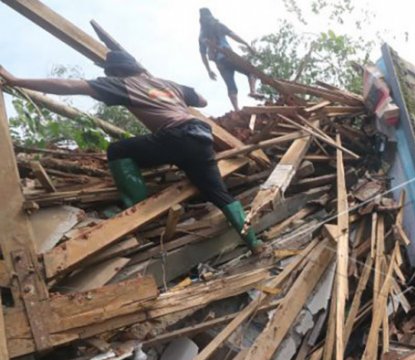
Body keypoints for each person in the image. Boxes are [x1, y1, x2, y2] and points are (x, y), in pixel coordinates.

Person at [0, 51, 262, 252]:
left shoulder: (121, 84)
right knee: (218, 193)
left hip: (176, 136)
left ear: (115, 72)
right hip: (200, 136)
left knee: (117, 150)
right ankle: (253, 241)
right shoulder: (164, 83)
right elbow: (202, 100)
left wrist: (15, 80)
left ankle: (135, 206)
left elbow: (70, 86)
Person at [198, 7, 259, 111]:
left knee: (230, 84)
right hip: (229, 56)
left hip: (219, 63)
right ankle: (253, 91)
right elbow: (233, 35)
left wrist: (209, 70)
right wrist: (246, 44)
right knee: (251, 71)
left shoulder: (201, 36)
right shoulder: (218, 25)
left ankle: (236, 109)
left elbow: (203, 55)